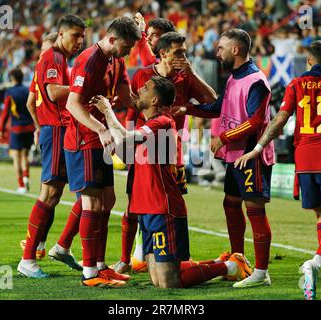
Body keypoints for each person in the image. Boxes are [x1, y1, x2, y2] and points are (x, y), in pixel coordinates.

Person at [90, 76, 251, 288]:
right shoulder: (150, 126)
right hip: (145, 209)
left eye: (146, 88)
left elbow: (126, 138)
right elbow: (125, 149)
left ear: (155, 100)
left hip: (162, 208)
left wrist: (107, 112)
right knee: (157, 279)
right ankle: (220, 262)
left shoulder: (162, 122)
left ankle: (230, 267)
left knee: (169, 282)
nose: (139, 89)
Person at [234, 40, 321, 300]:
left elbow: (280, 120)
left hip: (303, 159)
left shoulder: (296, 84)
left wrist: (258, 149)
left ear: (309, 61)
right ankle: (315, 263)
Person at [174, 28, 275, 288]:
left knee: (254, 208)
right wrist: (189, 108)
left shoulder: (256, 81)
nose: (216, 52)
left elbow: (255, 121)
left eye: (221, 48)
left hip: (251, 154)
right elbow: (218, 108)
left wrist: (224, 137)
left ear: (235, 50)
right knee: (231, 204)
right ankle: (238, 260)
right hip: (235, 156)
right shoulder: (233, 78)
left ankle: (261, 272)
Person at [111, 31, 217, 275]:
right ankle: (127, 258)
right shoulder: (143, 76)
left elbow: (212, 102)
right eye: (178, 52)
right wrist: (127, 143)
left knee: (167, 201)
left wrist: (188, 104)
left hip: (171, 146)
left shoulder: (185, 77)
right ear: (163, 53)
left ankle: (179, 260)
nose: (183, 56)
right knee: (135, 203)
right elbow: (133, 108)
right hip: (143, 141)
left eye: (184, 51)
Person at [49, 16, 141, 287]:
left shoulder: (117, 59)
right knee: (91, 203)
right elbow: (73, 105)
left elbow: (128, 98)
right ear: (112, 39)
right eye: (127, 46)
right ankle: (90, 272)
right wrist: (102, 129)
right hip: (83, 139)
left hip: (100, 140)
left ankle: (100, 265)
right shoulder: (89, 60)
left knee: (107, 201)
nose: (129, 52)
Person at [17, 15, 86, 278]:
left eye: (82, 36)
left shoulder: (59, 59)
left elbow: (35, 100)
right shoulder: (53, 58)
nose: (79, 41)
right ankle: (29, 258)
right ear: (60, 34)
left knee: (77, 193)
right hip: (56, 130)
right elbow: (54, 93)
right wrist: (83, 87)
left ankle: (60, 246)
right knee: (50, 194)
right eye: (75, 35)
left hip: (58, 129)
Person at [18, 32, 58, 259]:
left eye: (46, 51)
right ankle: (35, 247)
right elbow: (30, 102)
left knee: (54, 192)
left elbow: (30, 102)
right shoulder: (51, 67)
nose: (43, 55)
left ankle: (40, 244)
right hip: (56, 133)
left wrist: (38, 126)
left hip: (49, 132)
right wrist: (42, 126)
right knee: (51, 192)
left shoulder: (40, 68)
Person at [0, 68, 35, 194]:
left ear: (12, 78)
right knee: (25, 156)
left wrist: (0, 129)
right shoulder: (27, 90)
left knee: (16, 157)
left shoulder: (10, 92)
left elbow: (5, 113)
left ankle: (21, 185)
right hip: (29, 127)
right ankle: (26, 179)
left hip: (16, 128)